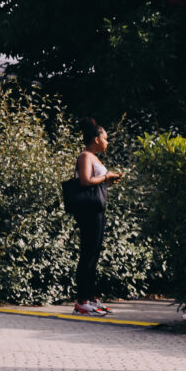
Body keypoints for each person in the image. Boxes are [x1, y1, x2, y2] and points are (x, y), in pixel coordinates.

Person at [72, 118, 122, 316]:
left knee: (94, 254)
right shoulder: (85, 156)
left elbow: (95, 182)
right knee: (88, 255)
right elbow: (85, 181)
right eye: (105, 139)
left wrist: (109, 180)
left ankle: (91, 298)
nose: (107, 142)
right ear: (96, 139)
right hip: (88, 211)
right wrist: (107, 176)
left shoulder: (94, 157)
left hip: (97, 210)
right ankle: (81, 301)